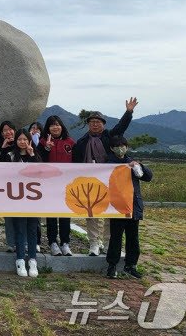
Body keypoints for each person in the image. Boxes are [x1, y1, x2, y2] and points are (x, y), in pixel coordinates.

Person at [72, 97, 139, 256]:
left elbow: (121, 127)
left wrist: (128, 112)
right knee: (92, 212)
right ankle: (94, 243)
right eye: (92, 122)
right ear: (88, 124)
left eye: (98, 121)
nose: (95, 124)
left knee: (110, 213)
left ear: (103, 124)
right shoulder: (81, 142)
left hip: (111, 182)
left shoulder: (110, 137)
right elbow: (75, 163)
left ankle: (110, 243)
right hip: (90, 182)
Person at [106, 136, 153, 279]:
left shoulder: (131, 162)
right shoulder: (107, 164)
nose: (120, 148)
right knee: (116, 237)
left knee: (133, 238)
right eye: (117, 146)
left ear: (127, 147)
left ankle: (131, 265)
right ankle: (112, 265)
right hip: (116, 207)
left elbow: (148, 177)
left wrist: (140, 166)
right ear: (111, 148)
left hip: (133, 205)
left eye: (123, 145)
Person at [4, 129, 42, 277]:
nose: (22, 142)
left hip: (33, 199)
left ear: (29, 141)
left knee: (32, 229)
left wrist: (32, 154)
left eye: (25, 139)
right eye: (19, 139)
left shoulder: (35, 155)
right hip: (17, 198)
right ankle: (20, 260)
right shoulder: (10, 156)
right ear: (16, 141)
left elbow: (39, 172)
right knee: (19, 229)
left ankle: (32, 260)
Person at [38, 116, 75, 256]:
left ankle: (65, 243)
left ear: (62, 126)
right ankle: (52, 242)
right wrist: (46, 148)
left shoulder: (70, 142)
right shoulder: (42, 143)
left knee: (65, 214)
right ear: (48, 128)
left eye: (57, 125)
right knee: (51, 214)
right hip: (49, 185)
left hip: (67, 185)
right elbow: (38, 161)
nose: (55, 127)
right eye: (52, 125)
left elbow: (78, 163)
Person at [0, 120, 17, 251]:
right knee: (9, 216)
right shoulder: (0, 145)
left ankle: (27, 243)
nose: (8, 132)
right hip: (6, 186)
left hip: (23, 186)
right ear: (1, 133)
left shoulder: (22, 141)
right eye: (5, 130)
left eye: (10, 129)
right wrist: (3, 147)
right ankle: (10, 243)